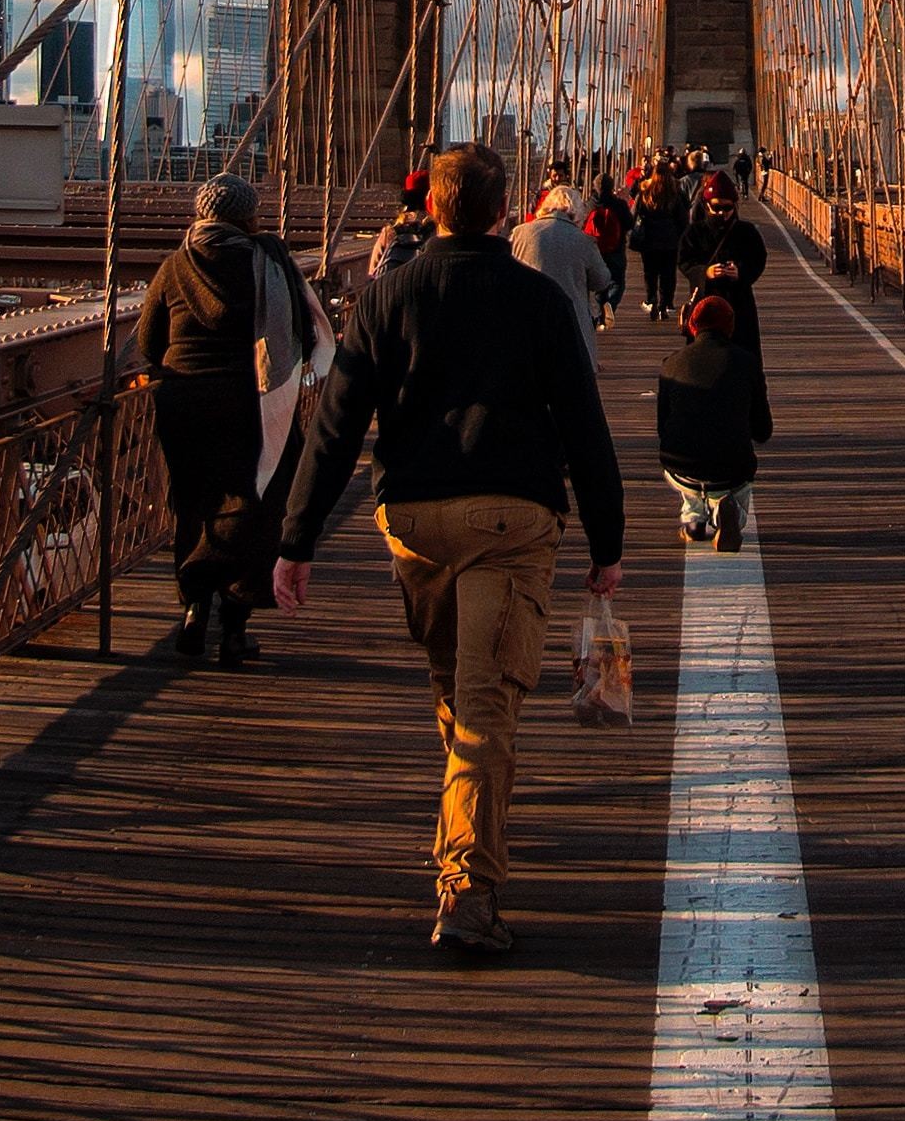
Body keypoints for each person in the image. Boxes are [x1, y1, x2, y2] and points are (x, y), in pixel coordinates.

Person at [275, 145, 626, 958]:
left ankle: (464, 824)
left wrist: (296, 540)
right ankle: (466, 892)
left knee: (456, 688)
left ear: (432, 209)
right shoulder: (537, 300)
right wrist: (606, 543)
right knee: (484, 704)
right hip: (510, 520)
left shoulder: (387, 293)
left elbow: (332, 429)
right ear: (504, 212)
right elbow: (584, 427)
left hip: (413, 520)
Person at [134, 176, 327, 668]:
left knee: (194, 499)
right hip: (252, 401)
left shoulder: (175, 267)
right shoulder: (267, 264)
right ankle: (235, 627)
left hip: (183, 401)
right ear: (249, 218)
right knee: (256, 503)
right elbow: (303, 333)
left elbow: (147, 343)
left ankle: (195, 604)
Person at [654, 277, 771, 551]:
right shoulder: (746, 362)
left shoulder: (671, 364)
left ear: (692, 325)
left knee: (689, 465)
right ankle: (727, 513)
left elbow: (664, 428)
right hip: (732, 468)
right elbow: (763, 430)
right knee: (735, 477)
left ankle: (694, 520)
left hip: (680, 465)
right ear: (730, 327)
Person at [509, 178, 614, 368]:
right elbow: (602, 280)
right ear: (577, 212)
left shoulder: (519, 233)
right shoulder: (583, 241)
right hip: (571, 325)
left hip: (526, 323)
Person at [688, 176, 770, 348]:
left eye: (727, 208)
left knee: (743, 348)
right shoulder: (695, 232)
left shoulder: (746, 231)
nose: (722, 213)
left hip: (739, 300)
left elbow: (758, 258)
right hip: (706, 300)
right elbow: (685, 260)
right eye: (716, 207)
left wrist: (741, 272)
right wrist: (705, 272)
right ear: (707, 205)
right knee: (704, 351)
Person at [627, 164, 689, 323]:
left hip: (648, 240)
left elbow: (634, 214)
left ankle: (651, 299)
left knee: (650, 272)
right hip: (670, 240)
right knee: (668, 273)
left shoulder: (645, 192)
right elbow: (683, 219)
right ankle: (665, 304)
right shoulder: (676, 193)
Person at [579, 177, 628, 317]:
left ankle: (601, 310)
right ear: (612, 186)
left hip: (594, 249)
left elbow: (583, 225)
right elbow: (629, 223)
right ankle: (610, 306)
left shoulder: (590, 205)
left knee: (599, 282)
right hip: (616, 249)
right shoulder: (619, 205)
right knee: (617, 282)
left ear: (595, 187)